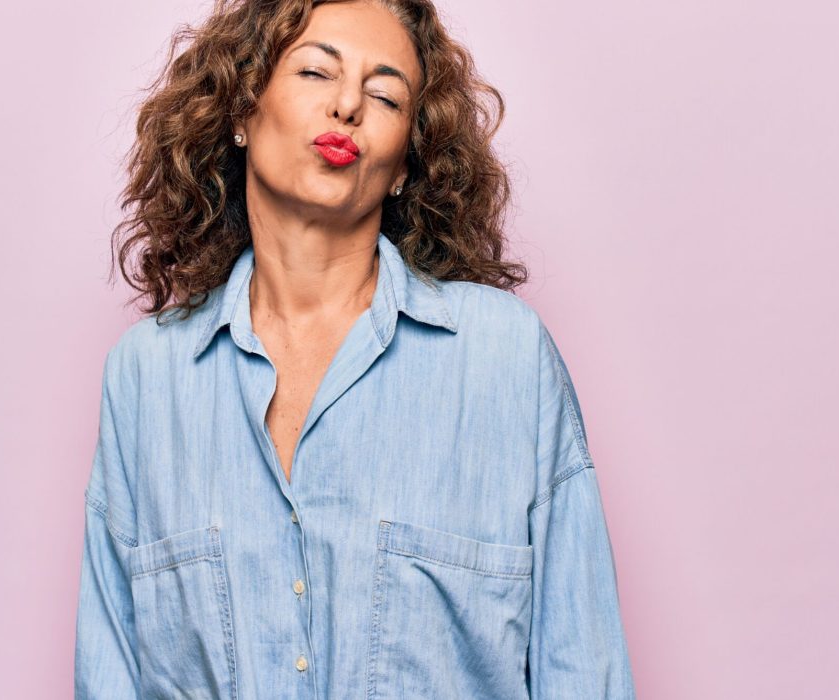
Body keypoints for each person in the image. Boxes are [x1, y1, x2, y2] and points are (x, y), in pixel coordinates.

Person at [74, 0, 636, 697]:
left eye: (384, 94)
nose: (348, 105)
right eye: (316, 71)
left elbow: (584, 670)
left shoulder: (505, 360)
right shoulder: (144, 380)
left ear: (404, 165)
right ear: (242, 112)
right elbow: (112, 675)